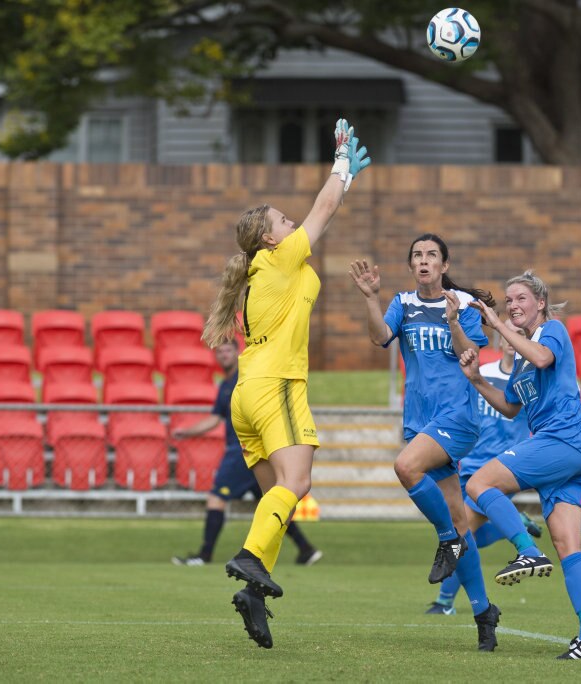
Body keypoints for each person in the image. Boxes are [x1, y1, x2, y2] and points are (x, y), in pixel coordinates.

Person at [200, 118, 370, 650]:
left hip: (245, 397)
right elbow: (323, 210)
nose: (290, 220)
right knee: (296, 486)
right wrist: (339, 165)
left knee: (278, 491)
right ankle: (250, 560)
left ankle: (253, 590)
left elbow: (319, 216)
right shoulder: (277, 258)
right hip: (277, 386)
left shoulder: (262, 272)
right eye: (281, 218)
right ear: (268, 237)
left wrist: (344, 179)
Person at [349, 234, 502, 651]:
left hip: (458, 417)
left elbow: (471, 357)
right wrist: (370, 298)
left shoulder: (463, 306)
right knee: (459, 519)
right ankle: (484, 610)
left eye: (431, 255)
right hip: (420, 423)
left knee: (405, 467)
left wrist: (453, 321)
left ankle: (446, 542)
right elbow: (380, 336)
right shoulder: (402, 303)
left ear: (444, 264)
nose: (423, 261)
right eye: (417, 255)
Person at [458, 271, 581, 660]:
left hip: (562, 439)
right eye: (508, 301)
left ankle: (526, 548)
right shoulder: (522, 361)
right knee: (567, 543)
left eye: (521, 298)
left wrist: (495, 325)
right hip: (575, 454)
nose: (512, 306)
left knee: (478, 484)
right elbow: (510, 407)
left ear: (540, 304)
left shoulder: (551, 332)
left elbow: (544, 356)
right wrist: (477, 379)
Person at [171, 340, 323, 569]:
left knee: (217, 497)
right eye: (219, 352)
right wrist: (188, 432)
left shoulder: (246, 379)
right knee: (271, 500)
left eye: (227, 351)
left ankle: (204, 555)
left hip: (242, 451)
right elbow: (215, 418)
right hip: (246, 451)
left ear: (238, 352)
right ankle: (305, 548)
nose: (223, 355)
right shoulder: (225, 386)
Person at [426, 319, 542, 616]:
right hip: (470, 465)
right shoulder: (483, 375)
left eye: (519, 336)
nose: (511, 341)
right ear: (500, 341)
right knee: (468, 531)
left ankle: (444, 601)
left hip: (501, 471)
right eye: (507, 336)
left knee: (459, 530)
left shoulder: (529, 381)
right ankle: (513, 525)